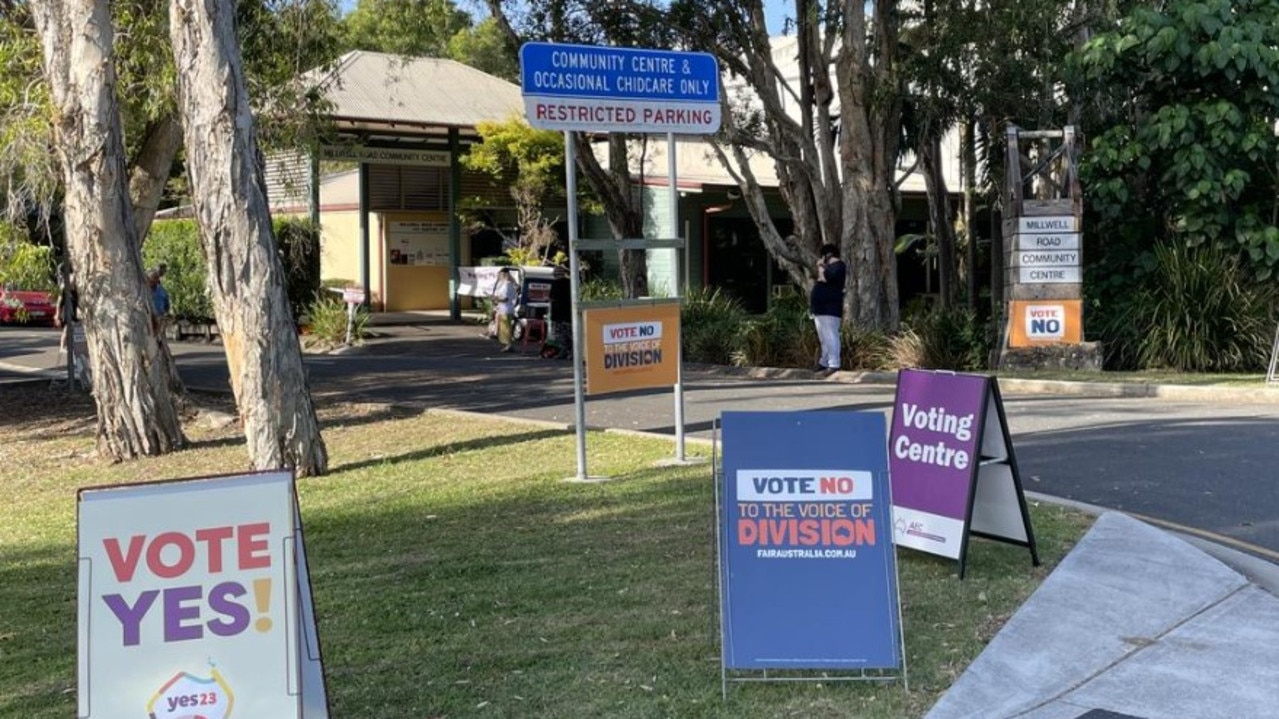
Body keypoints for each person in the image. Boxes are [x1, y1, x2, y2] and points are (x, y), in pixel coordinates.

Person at [809, 243, 846, 376]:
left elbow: (825, 279)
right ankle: (824, 362)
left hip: (829, 307)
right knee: (823, 337)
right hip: (820, 307)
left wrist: (820, 267)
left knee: (830, 335)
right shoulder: (829, 268)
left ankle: (834, 363)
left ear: (827, 255)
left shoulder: (838, 266)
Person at [544, 265, 573, 359]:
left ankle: (564, 351)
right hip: (568, 313)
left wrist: (547, 299)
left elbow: (552, 298)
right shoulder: (570, 283)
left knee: (559, 334)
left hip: (557, 313)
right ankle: (571, 352)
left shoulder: (555, 284)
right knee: (570, 334)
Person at [492, 268, 518, 352]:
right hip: (503, 308)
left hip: (506, 309)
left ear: (505, 275)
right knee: (504, 328)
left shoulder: (507, 285)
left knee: (506, 328)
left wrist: (496, 299)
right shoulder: (505, 284)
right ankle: (507, 345)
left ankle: (509, 345)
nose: (499, 276)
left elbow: (505, 298)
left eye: (500, 274)